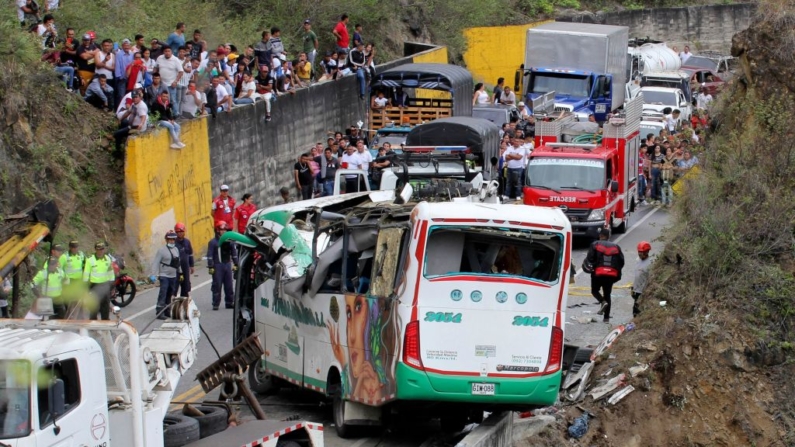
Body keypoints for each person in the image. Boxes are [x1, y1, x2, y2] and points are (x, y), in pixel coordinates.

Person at [583, 228, 625, 323]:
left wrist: (592, 268)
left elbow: (590, 259)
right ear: (608, 236)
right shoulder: (616, 247)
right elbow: (621, 262)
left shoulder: (595, 244)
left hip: (597, 274)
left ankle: (602, 302)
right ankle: (606, 318)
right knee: (607, 294)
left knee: (594, 291)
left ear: (600, 235)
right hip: (610, 275)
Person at [149, 231, 182, 319]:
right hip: (164, 275)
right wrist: (153, 274)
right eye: (170, 239)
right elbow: (156, 262)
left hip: (173, 275)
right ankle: (159, 312)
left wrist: (180, 272)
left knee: (170, 294)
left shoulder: (176, 249)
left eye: (173, 239)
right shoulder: (161, 250)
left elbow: (178, 262)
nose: (172, 241)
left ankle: (167, 310)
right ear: (167, 240)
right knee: (163, 293)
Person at [207, 221, 238, 310]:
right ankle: (215, 303)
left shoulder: (230, 241)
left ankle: (229, 302)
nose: (223, 231)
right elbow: (210, 255)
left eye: (225, 230)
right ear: (217, 230)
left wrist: (236, 264)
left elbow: (234, 253)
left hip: (227, 264)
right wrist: (211, 266)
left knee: (229, 285)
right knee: (217, 285)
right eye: (221, 230)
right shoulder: (213, 242)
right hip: (217, 265)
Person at [82, 241, 115, 320]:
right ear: (95, 250)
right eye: (99, 249)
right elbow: (86, 275)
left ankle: (105, 324)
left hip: (105, 285)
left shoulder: (107, 259)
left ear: (104, 249)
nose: (100, 251)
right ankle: (93, 324)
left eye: (102, 249)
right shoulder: (90, 260)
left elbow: (111, 273)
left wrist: (112, 286)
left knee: (105, 306)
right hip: (94, 286)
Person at [631, 241, 652, 318]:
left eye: (641, 252)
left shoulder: (650, 263)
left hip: (643, 291)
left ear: (647, 252)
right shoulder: (637, 260)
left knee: (640, 310)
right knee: (635, 311)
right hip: (636, 290)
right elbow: (637, 275)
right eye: (639, 252)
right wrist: (633, 288)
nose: (639, 254)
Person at [174, 223, 195, 297]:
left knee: (186, 287)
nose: (180, 234)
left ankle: (184, 305)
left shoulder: (187, 242)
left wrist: (191, 265)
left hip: (185, 268)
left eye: (181, 232)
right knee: (174, 288)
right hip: (176, 269)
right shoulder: (173, 243)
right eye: (178, 232)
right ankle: (172, 305)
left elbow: (190, 254)